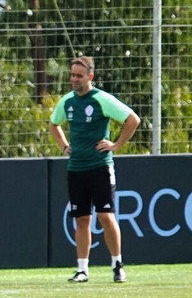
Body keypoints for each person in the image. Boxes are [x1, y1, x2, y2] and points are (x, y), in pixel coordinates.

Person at [49, 56, 140, 283]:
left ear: (90, 77)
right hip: (76, 169)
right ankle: (82, 269)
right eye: (72, 75)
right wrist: (64, 146)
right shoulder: (67, 102)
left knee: (105, 216)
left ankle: (117, 265)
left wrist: (116, 145)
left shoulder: (102, 99)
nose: (74, 79)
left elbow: (132, 119)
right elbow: (53, 123)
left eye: (79, 75)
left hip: (100, 167)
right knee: (81, 220)